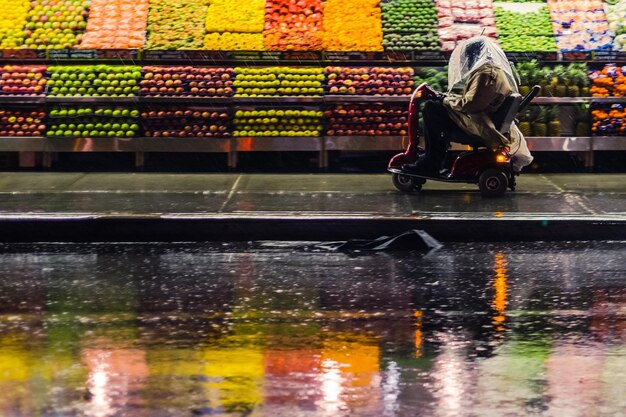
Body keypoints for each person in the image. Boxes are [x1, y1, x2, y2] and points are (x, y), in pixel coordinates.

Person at [403, 36, 533, 175]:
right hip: (484, 120)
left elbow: (471, 104)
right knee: (436, 108)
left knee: (431, 109)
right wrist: (447, 98)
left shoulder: (485, 73)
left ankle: (431, 162)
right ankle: (436, 158)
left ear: (475, 56)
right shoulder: (491, 70)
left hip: (480, 125)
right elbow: (475, 98)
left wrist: (445, 100)